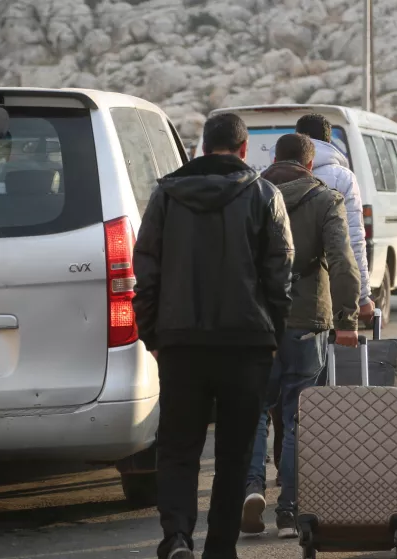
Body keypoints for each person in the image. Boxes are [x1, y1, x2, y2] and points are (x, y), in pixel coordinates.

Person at [132, 113, 294, 559]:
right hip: (246, 345)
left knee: (179, 447)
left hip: (181, 344)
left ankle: (176, 537)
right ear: (244, 150)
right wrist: (273, 332)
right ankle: (220, 548)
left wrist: (153, 335)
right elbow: (280, 272)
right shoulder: (265, 194)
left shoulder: (165, 195)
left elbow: (145, 271)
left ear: (202, 148)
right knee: (235, 453)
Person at [241, 133, 361, 538]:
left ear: (274, 160)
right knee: (297, 417)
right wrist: (347, 319)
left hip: (258, 321)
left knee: (256, 412)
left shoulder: (251, 194)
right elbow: (343, 263)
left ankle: (251, 487)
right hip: (307, 322)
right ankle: (289, 511)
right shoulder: (326, 199)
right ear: (310, 165)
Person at [295, 114, 375, 323]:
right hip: (333, 287)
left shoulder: (273, 175)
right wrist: (363, 296)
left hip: (287, 291)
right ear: (328, 142)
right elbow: (355, 239)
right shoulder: (343, 177)